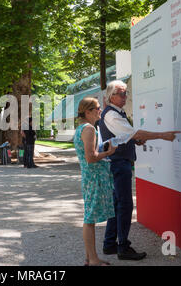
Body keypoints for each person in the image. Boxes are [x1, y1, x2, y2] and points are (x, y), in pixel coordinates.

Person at [99, 80, 180, 260]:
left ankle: (110, 244)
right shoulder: (112, 115)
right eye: (121, 94)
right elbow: (135, 133)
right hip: (119, 163)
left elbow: (125, 136)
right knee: (125, 204)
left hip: (118, 162)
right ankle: (123, 247)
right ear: (111, 96)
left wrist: (135, 140)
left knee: (117, 205)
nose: (125, 97)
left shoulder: (116, 113)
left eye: (125, 93)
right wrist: (162, 135)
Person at [74, 98, 117, 266]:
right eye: (98, 108)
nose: (101, 110)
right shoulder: (89, 129)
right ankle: (93, 259)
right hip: (94, 177)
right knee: (89, 218)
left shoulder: (83, 128)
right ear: (88, 112)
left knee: (89, 217)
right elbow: (90, 157)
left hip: (90, 177)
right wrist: (109, 152)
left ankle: (89, 258)